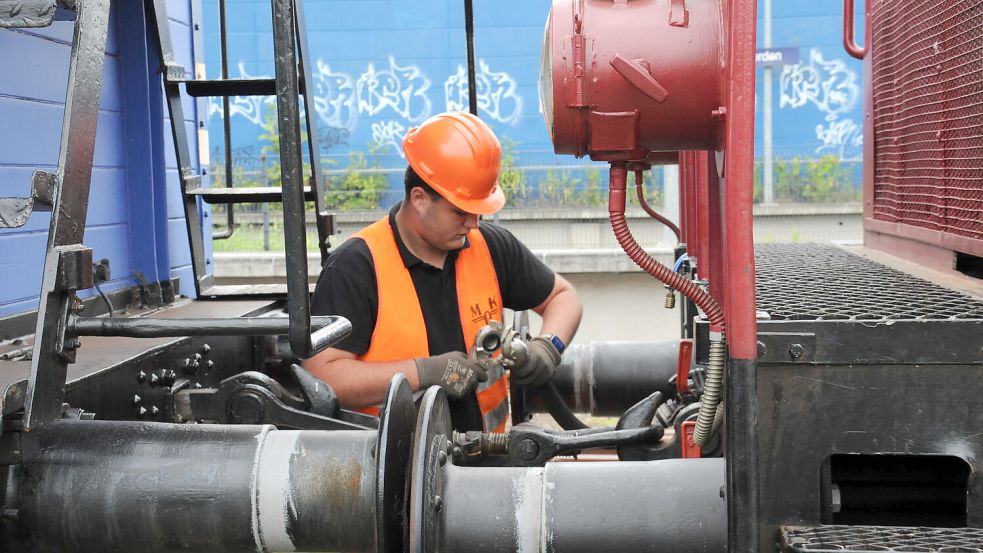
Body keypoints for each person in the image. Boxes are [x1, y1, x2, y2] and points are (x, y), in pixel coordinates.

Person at [303, 112, 582, 432]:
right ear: (419, 199)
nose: (474, 224)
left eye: (478, 211)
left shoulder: (489, 247)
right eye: (461, 212)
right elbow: (321, 379)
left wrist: (549, 346)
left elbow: (564, 297)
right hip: (397, 474)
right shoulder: (356, 268)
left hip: (489, 464)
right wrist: (422, 373)